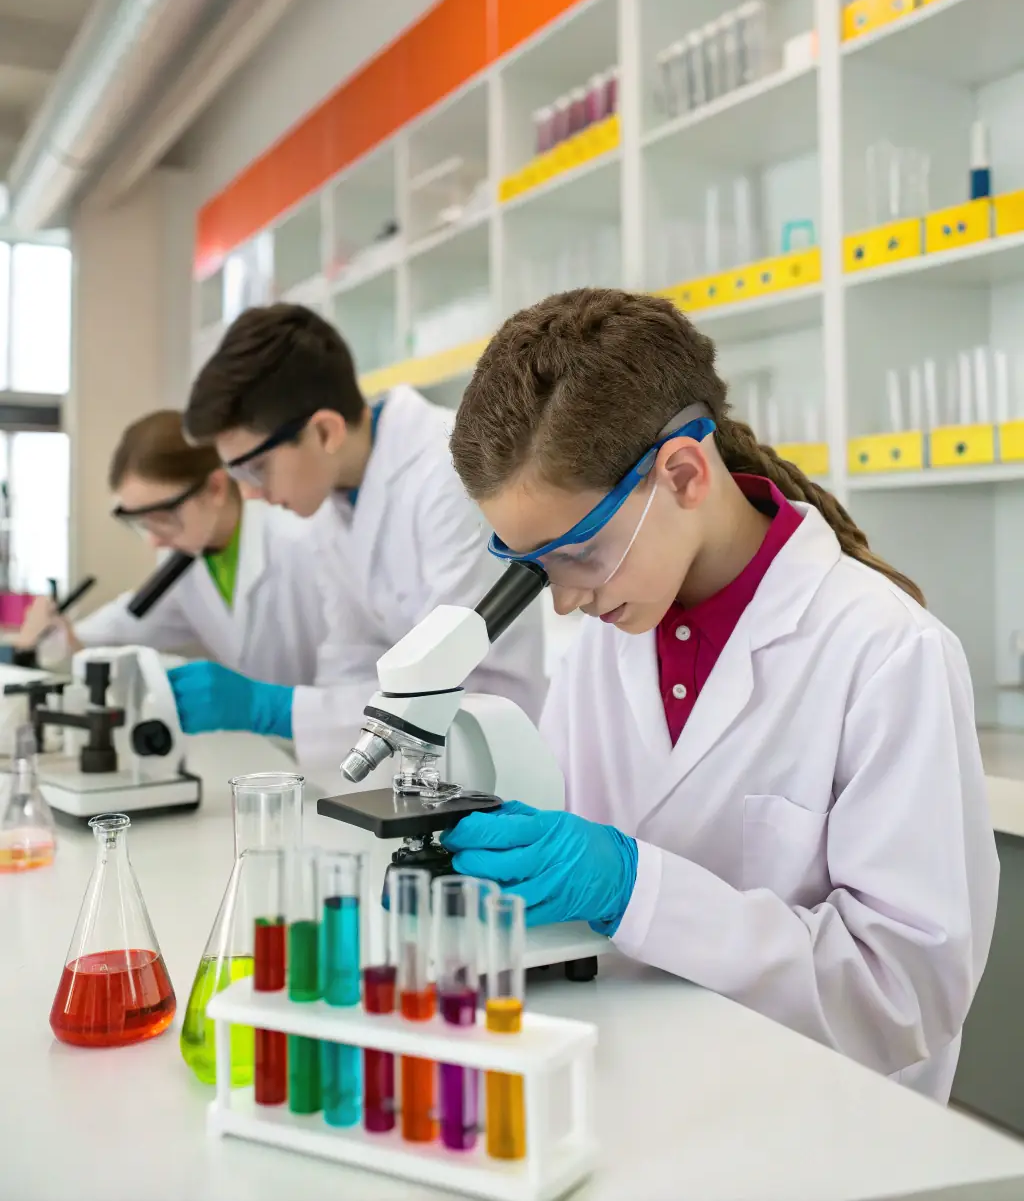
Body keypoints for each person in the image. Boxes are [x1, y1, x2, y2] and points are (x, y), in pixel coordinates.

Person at [440, 287, 998, 1103]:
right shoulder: (605, 637)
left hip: (823, 1128)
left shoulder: (886, 651)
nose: (563, 600)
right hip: (645, 1095)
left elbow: (903, 994)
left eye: (580, 553)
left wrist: (637, 889)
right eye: (537, 566)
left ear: (684, 473)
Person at [171, 303, 545, 768]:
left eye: (255, 466)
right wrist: (315, 725)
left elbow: (464, 678)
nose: (248, 492)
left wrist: (277, 709)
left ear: (325, 431)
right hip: (414, 770)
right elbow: (350, 658)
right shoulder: (335, 502)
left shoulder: (450, 474)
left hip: (493, 761)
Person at [18, 410, 324, 689]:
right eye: (140, 522)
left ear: (215, 488)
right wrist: (58, 634)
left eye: (161, 518)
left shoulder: (296, 538)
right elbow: (126, 623)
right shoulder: (185, 559)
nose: (153, 540)